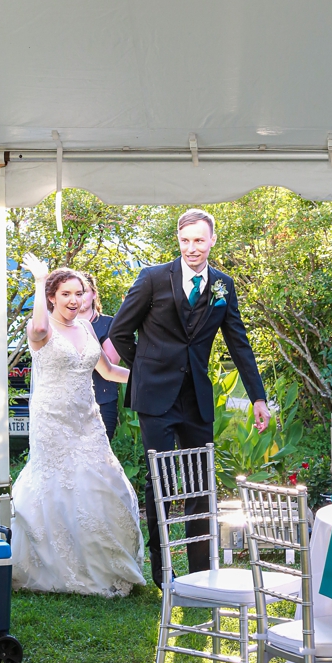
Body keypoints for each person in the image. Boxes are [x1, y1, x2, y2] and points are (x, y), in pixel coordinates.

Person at [109, 209, 269, 589]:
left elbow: (239, 344)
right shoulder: (152, 279)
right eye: (185, 240)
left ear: (212, 240)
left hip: (196, 397)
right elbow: (118, 333)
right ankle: (164, 573)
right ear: (178, 241)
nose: (192, 248)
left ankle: (200, 572)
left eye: (199, 240)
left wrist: (258, 397)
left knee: (201, 483)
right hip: (155, 400)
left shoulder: (223, 286)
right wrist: (145, 371)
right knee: (160, 483)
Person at [11, 259, 144, 597]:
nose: (73, 299)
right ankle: (57, 565)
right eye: (65, 293)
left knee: (104, 483)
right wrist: (40, 280)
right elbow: (40, 329)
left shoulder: (85, 328)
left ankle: (102, 562)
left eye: (78, 292)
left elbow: (109, 371)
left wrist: (153, 380)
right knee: (59, 485)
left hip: (87, 419)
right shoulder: (39, 329)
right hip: (52, 418)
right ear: (52, 296)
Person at [77, 270, 122, 442]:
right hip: (70, 403)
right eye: (75, 293)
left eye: (84, 292)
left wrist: (86, 337)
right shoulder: (60, 326)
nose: (80, 298)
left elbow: (111, 363)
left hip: (102, 400)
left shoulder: (108, 323)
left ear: (94, 294)